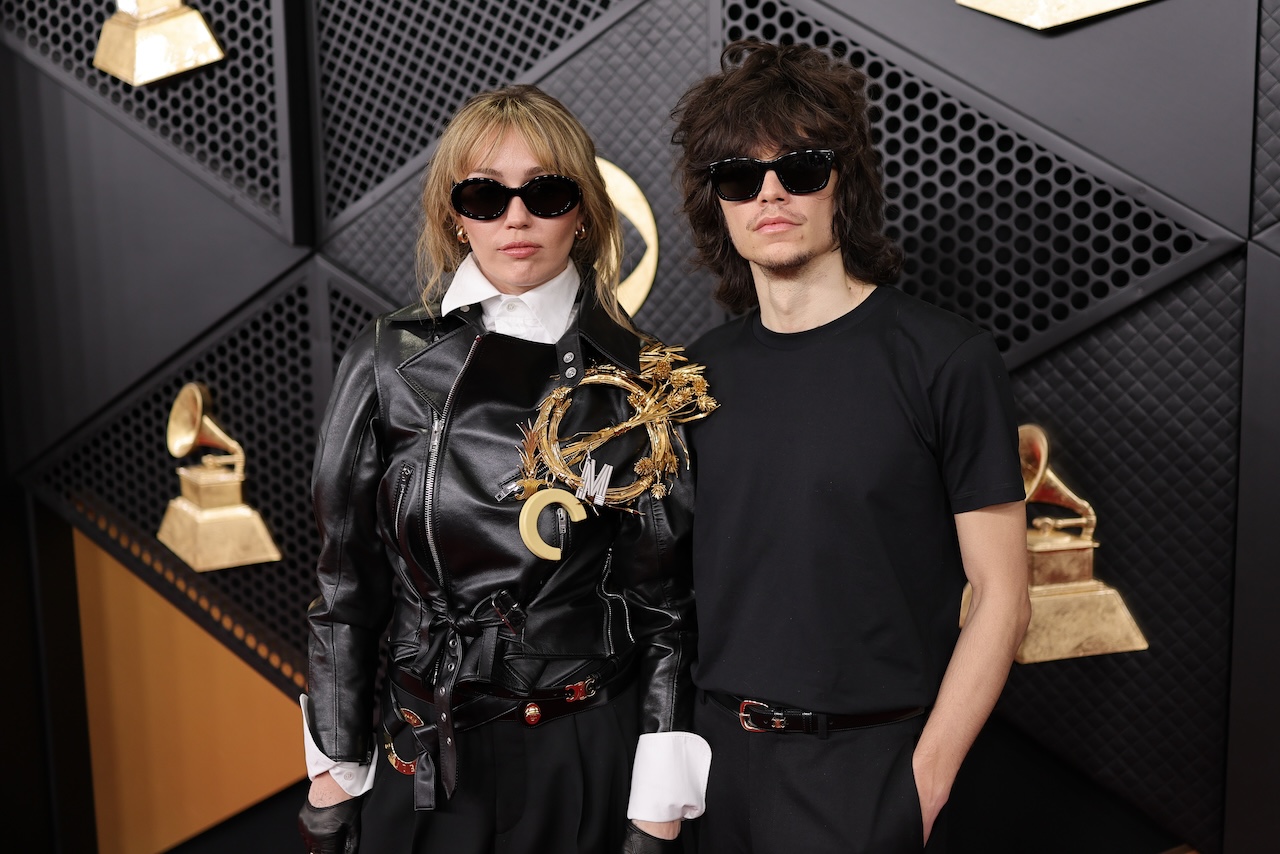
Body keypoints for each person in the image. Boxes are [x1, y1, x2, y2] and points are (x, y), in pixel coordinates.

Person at [297, 84, 714, 854]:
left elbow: (666, 611)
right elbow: (343, 584)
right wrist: (334, 772)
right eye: (485, 195)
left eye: (544, 193)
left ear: (583, 210)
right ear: (456, 215)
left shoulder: (642, 382)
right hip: (423, 749)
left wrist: (656, 811)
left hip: (583, 750)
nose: (515, 218)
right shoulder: (387, 360)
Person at [670, 41, 1032, 853]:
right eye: (739, 175)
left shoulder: (945, 359)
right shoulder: (692, 376)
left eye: (800, 168)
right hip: (714, 772)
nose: (770, 193)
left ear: (844, 183)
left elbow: (1003, 596)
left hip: (871, 771)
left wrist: (923, 782)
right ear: (717, 204)